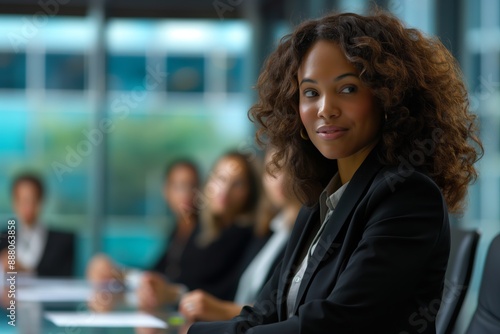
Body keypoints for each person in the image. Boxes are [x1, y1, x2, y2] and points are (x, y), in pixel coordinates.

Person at [188, 10, 483, 334]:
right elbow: (265, 314)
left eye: (347, 89)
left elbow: (335, 324)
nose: (325, 109)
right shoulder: (318, 204)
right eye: (311, 92)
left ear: (388, 98)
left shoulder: (407, 197)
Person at [178, 147, 302, 322]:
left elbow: (280, 310)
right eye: (272, 169)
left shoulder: (253, 232)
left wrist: (220, 310)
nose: (280, 178)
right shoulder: (269, 231)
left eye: (290, 167)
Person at [135, 151, 260, 309]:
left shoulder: (245, 236)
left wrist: (172, 293)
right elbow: (164, 271)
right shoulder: (205, 230)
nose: (224, 190)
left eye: (238, 183)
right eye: (221, 179)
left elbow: (218, 294)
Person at [87, 159, 201, 286]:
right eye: (179, 186)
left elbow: (184, 282)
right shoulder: (177, 231)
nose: (186, 193)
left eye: (192, 185)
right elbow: (157, 273)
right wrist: (116, 272)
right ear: (166, 191)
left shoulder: (205, 233)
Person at [0, 173, 75, 277]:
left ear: (41, 201)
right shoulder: (3, 238)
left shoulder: (62, 242)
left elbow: (63, 280)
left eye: (31, 200)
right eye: (22, 201)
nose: (27, 207)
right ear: (14, 203)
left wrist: (26, 270)